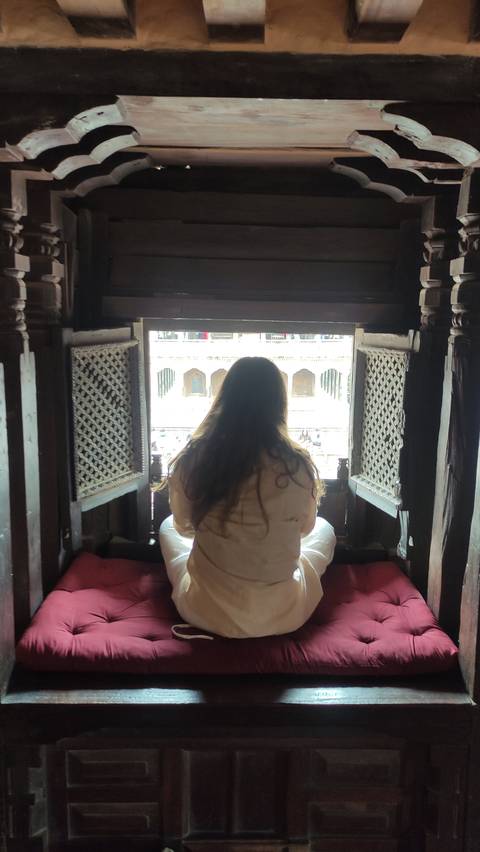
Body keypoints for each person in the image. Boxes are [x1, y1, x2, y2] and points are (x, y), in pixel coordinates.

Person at [159, 357, 336, 639]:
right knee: (326, 530)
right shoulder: (296, 465)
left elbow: (183, 526)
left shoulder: (195, 458)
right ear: (278, 403)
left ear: (225, 398)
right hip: (283, 614)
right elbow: (306, 529)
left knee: (167, 527)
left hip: (204, 611)